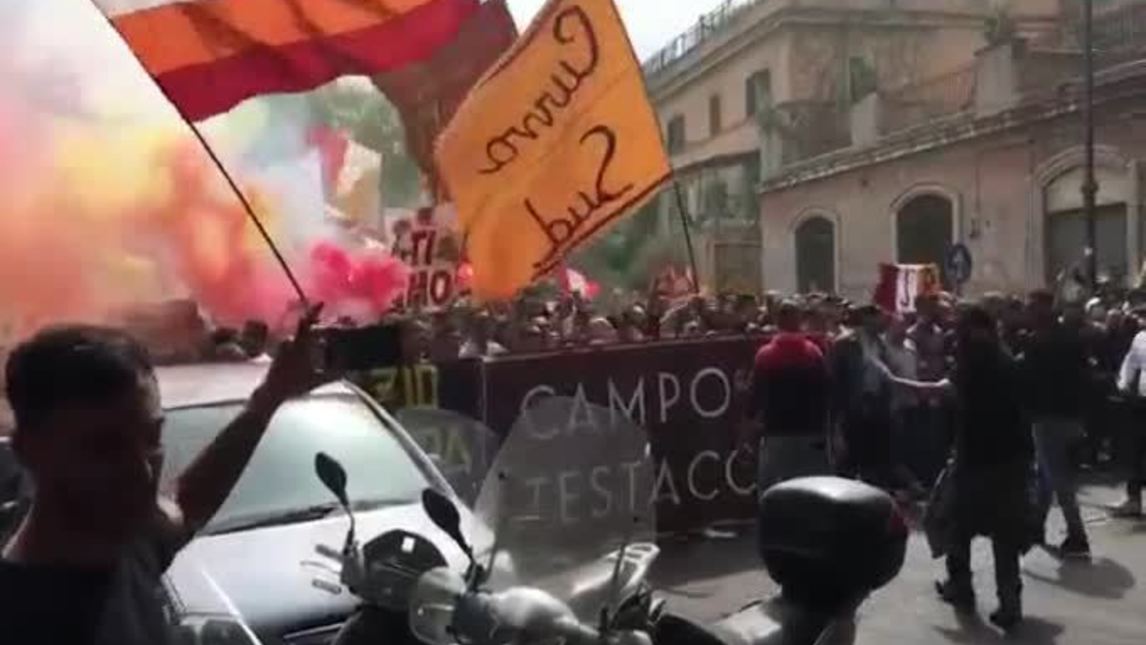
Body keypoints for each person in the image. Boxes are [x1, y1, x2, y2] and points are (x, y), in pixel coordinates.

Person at [0, 311, 329, 644]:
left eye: (152, 437)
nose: (142, 472)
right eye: (103, 447)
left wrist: (269, 397)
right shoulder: (19, 619)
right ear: (28, 450)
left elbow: (186, 505)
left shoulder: (125, 538)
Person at [928, 305, 1036, 633]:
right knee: (1004, 536)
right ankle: (1009, 602)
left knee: (957, 525)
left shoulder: (973, 361)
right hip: (1010, 458)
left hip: (977, 460)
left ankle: (962, 587)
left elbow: (948, 397)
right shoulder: (1007, 359)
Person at [1020, 290, 1091, 558]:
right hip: (1071, 414)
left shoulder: (1037, 341)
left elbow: (1026, 378)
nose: (1027, 311)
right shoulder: (1072, 338)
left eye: (1031, 307)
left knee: (1057, 476)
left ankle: (1077, 533)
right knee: (1046, 473)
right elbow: (1085, 374)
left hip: (1049, 416)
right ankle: (1036, 525)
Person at [744, 300, 832, 494]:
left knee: (770, 492)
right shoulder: (814, 353)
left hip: (777, 435)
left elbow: (754, 397)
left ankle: (775, 524)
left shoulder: (765, 356)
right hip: (810, 435)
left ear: (777, 322)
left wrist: (749, 425)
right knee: (814, 492)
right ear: (799, 321)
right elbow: (826, 394)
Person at [1112, 307, 1146, 517]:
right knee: (1136, 450)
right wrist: (1123, 385)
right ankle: (1133, 500)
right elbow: (1130, 364)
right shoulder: (1141, 338)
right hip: (1141, 401)